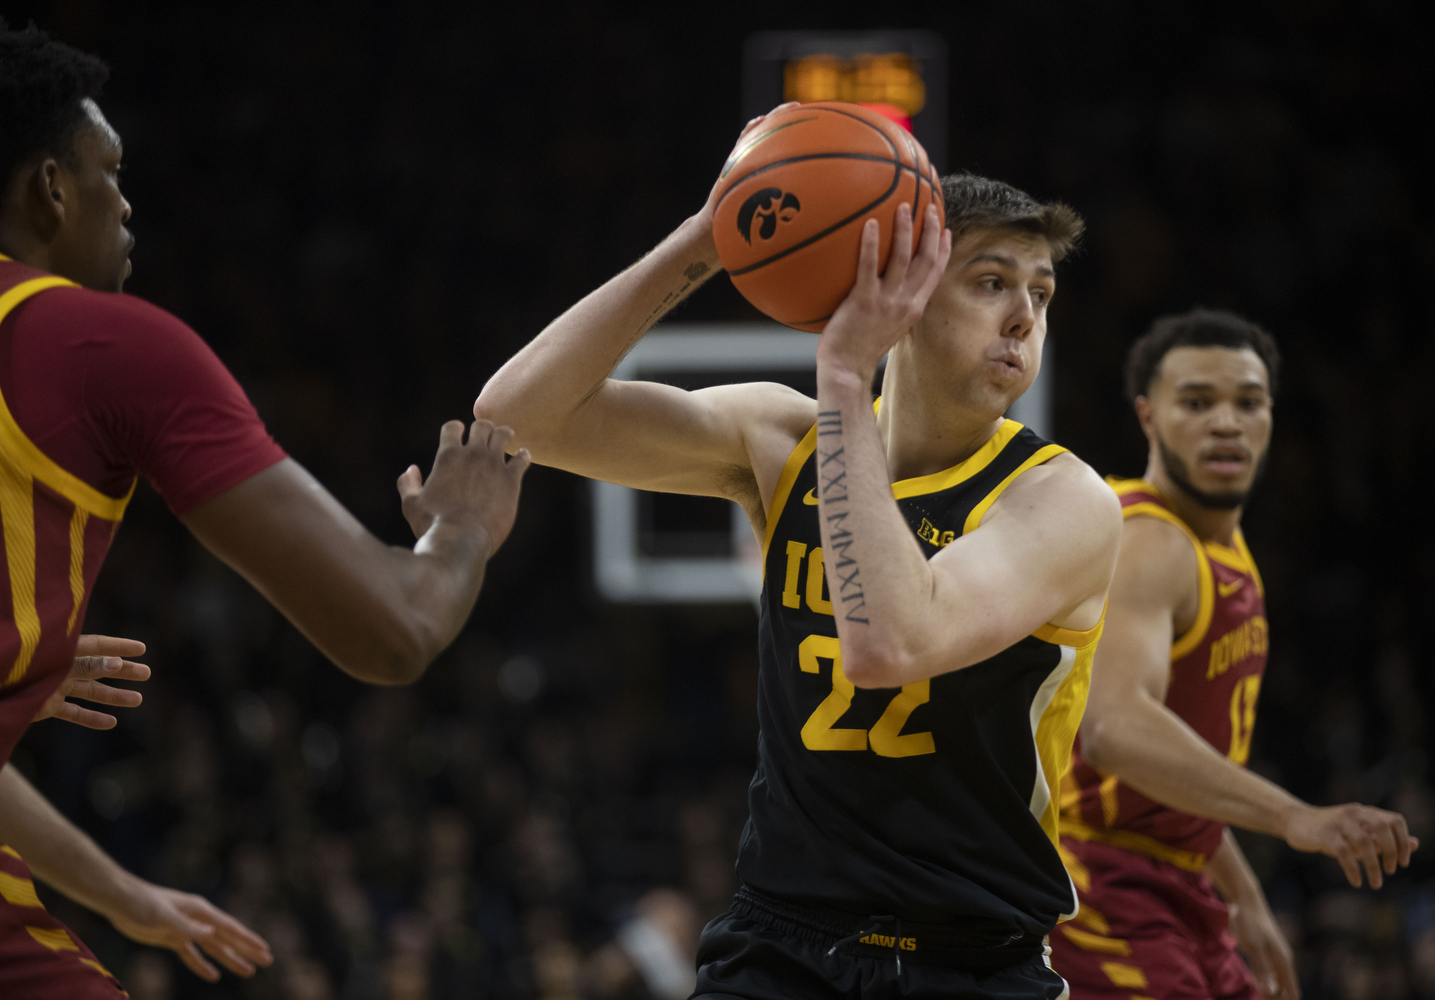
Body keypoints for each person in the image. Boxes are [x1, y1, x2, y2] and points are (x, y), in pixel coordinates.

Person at [477, 106, 1121, 999]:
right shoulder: (777, 439)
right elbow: (514, 420)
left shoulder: (1062, 500)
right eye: (990, 282)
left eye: (1040, 293)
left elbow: (890, 643)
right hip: (782, 945)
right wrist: (708, 239)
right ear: (897, 286)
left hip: (973, 960)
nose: (1023, 316)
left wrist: (847, 377)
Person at [0, 22, 530, 996]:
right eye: (108, 171)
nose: (126, 203)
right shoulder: (101, 345)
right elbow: (393, 633)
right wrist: (462, 530)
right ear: (49, 188)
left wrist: (116, 890)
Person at [1048, 310, 1418, 999]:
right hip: (1096, 884)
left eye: (1248, 402)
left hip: (1177, 882)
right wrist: (1295, 816)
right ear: (1148, 418)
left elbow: (1174, 774)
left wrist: (1242, 892)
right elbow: (1113, 729)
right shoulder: (1149, 543)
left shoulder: (1223, 547)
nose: (1226, 422)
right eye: (1197, 402)